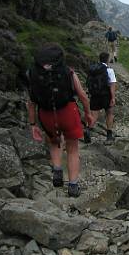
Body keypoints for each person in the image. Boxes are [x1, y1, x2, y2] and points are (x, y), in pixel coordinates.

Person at [26, 43, 92, 198]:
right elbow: (82, 95)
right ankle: (73, 185)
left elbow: (31, 102)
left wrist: (33, 124)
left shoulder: (32, 74)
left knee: (54, 142)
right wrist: (88, 113)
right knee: (73, 149)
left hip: (46, 113)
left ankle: (57, 169)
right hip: (68, 111)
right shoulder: (68, 72)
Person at [85, 52, 117, 145]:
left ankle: (88, 129)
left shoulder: (93, 69)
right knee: (109, 113)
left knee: (94, 115)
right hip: (106, 95)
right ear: (107, 59)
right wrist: (113, 98)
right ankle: (109, 135)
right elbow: (112, 85)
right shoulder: (109, 70)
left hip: (94, 95)